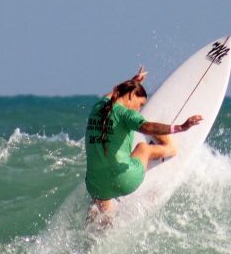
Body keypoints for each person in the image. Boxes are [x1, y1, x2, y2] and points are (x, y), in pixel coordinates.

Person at [85, 66, 203, 222]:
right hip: (124, 180)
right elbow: (147, 127)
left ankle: (103, 229)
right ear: (132, 94)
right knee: (143, 148)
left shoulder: (98, 106)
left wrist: (132, 82)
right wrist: (180, 127)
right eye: (140, 104)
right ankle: (170, 149)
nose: (139, 108)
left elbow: (114, 93)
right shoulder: (125, 114)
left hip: (95, 185)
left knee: (104, 208)